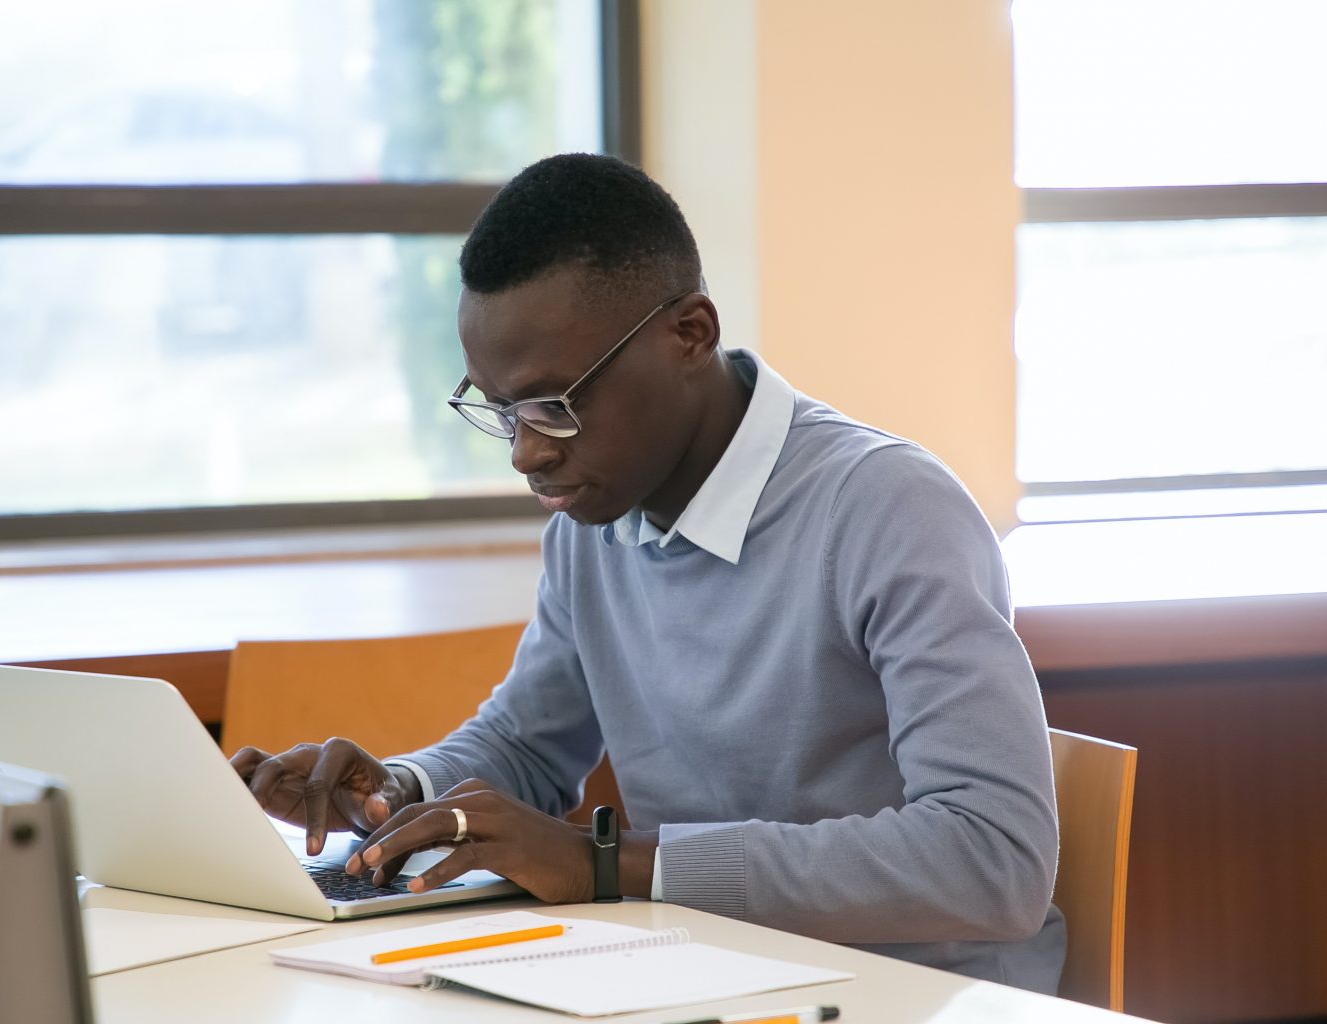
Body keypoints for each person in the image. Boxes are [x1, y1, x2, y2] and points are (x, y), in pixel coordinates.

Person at [230, 153, 1065, 992]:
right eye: (499, 409)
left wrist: (608, 862)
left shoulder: (889, 509)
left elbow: (991, 858)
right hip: (707, 976)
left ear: (689, 335)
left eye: (555, 403)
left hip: (915, 993)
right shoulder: (595, 512)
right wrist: (398, 793)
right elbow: (527, 744)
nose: (526, 453)